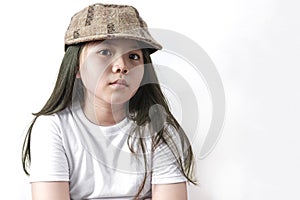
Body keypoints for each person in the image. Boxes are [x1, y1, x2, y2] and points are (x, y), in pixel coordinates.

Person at [22, 3, 197, 200]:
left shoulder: (158, 129)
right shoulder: (54, 127)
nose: (122, 66)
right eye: (105, 52)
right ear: (76, 67)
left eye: (133, 56)